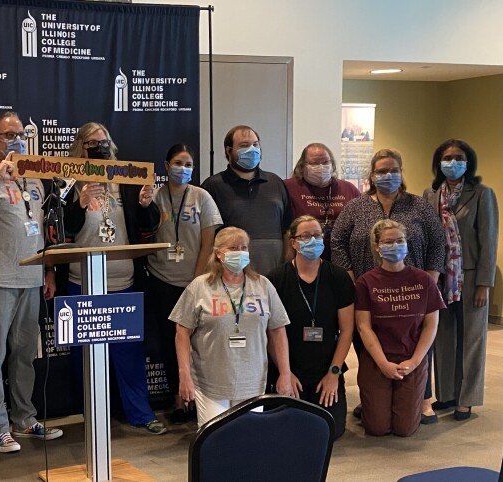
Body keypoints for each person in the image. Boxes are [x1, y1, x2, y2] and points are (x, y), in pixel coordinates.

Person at [0, 111, 60, 453]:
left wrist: (48, 270)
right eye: (8, 135)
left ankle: (24, 418)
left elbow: (42, 227)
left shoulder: (33, 175)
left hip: (31, 278)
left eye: (19, 134)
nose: (16, 139)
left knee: (24, 355)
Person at [62, 122, 167, 435]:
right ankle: (94, 417)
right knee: (84, 356)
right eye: (93, 143)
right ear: (81, 147)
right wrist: (78, 205)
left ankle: (139, 413)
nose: (100, 147)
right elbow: (58, 228)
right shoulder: (68, 180)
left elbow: (148, 229)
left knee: (129, 355)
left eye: (104, 141)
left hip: (123, 280)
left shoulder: (128, 178)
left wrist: (148, 206)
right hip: (82, 280)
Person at [331, 148, 445, 423]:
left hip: (411, 290)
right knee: (368, 343)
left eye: (394, 170)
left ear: (401, 172)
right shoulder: (356, 206)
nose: (388, 175)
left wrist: (429, 282)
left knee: (415, 343)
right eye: (382, 171)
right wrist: (350, 281)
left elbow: (438, 243)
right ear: (372, 175)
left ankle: (421, 399)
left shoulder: (419, 206)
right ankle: (375, 398)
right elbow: (337, 241)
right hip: (368, 290)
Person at [170, 227, 293, 426]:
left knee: (247, 440)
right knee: (216, 441)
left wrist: (285, 373)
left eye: (244, 247)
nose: (240, 252)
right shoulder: (199, 286)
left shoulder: (263, 285)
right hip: (210, 382)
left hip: (252, 382)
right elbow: (182, 332)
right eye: (233, 247)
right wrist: (184, 375)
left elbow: (278, 331)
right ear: (219, 253)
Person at [423, 139, 498, 421]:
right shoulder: (430, 195)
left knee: (472, 339)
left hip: (470, 277)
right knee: (443, 337)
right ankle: (447, 394)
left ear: (468, 162)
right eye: (447, 157)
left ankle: (466, 399)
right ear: (438, 162)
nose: (452, 162)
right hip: (440, 277)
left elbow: (488, 241)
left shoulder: (481, 193)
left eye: (458, 157)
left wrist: (484, 284)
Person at [146, 144, 222, 424]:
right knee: (169, 343)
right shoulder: (155, 195)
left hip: (195, 281)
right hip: (161, 278)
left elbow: (208, 243)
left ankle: (200, 396)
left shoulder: (202, 196)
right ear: (166, 166)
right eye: (178, 163)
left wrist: (197, 281)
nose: (184, 168)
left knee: (199, 343)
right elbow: (145, 231)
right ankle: (179, 399)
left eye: (188, 163)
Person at [266, 216, 354, 439]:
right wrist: (285, 373)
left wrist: (334, 373)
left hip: (326, 369)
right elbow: (270, 332)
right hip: (289, 369)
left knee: (331, 431)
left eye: (317, 235)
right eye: (305, 236)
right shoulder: (276, 279)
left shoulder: (339, 277)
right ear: (293, 242)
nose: (312, 240)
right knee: (286, 431)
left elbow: (347, 330)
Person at [354, 220, 444, 437]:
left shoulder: (424, 280)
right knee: (377, 428)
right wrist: (383, 364)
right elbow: (363, 327)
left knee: (405, 429)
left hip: (411, 358)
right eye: (388, 242)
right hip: (378, 359)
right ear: (377, 247)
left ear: (407, 243)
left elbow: (431, 325)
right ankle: (373, 405)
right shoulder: (366, 282)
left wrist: (414, 362)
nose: (395, 245)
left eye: (400, 240)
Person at [201, 125, 290, 275]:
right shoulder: (213, 186)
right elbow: (206, 238)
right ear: (228, 151)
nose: (252, 149)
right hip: (230, 273)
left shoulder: (276, 182)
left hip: (275, 272)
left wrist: (288, 261)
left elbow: (287, 227)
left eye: (255, 145)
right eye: (244, 146)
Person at [284, 143, 360, 261]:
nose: (320, 167)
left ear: (332, 164)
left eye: (325, 162)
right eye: (314, 163)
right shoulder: (288, 187)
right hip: (302, 257)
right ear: (302, 165)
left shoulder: (349, 189)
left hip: (341, 257)